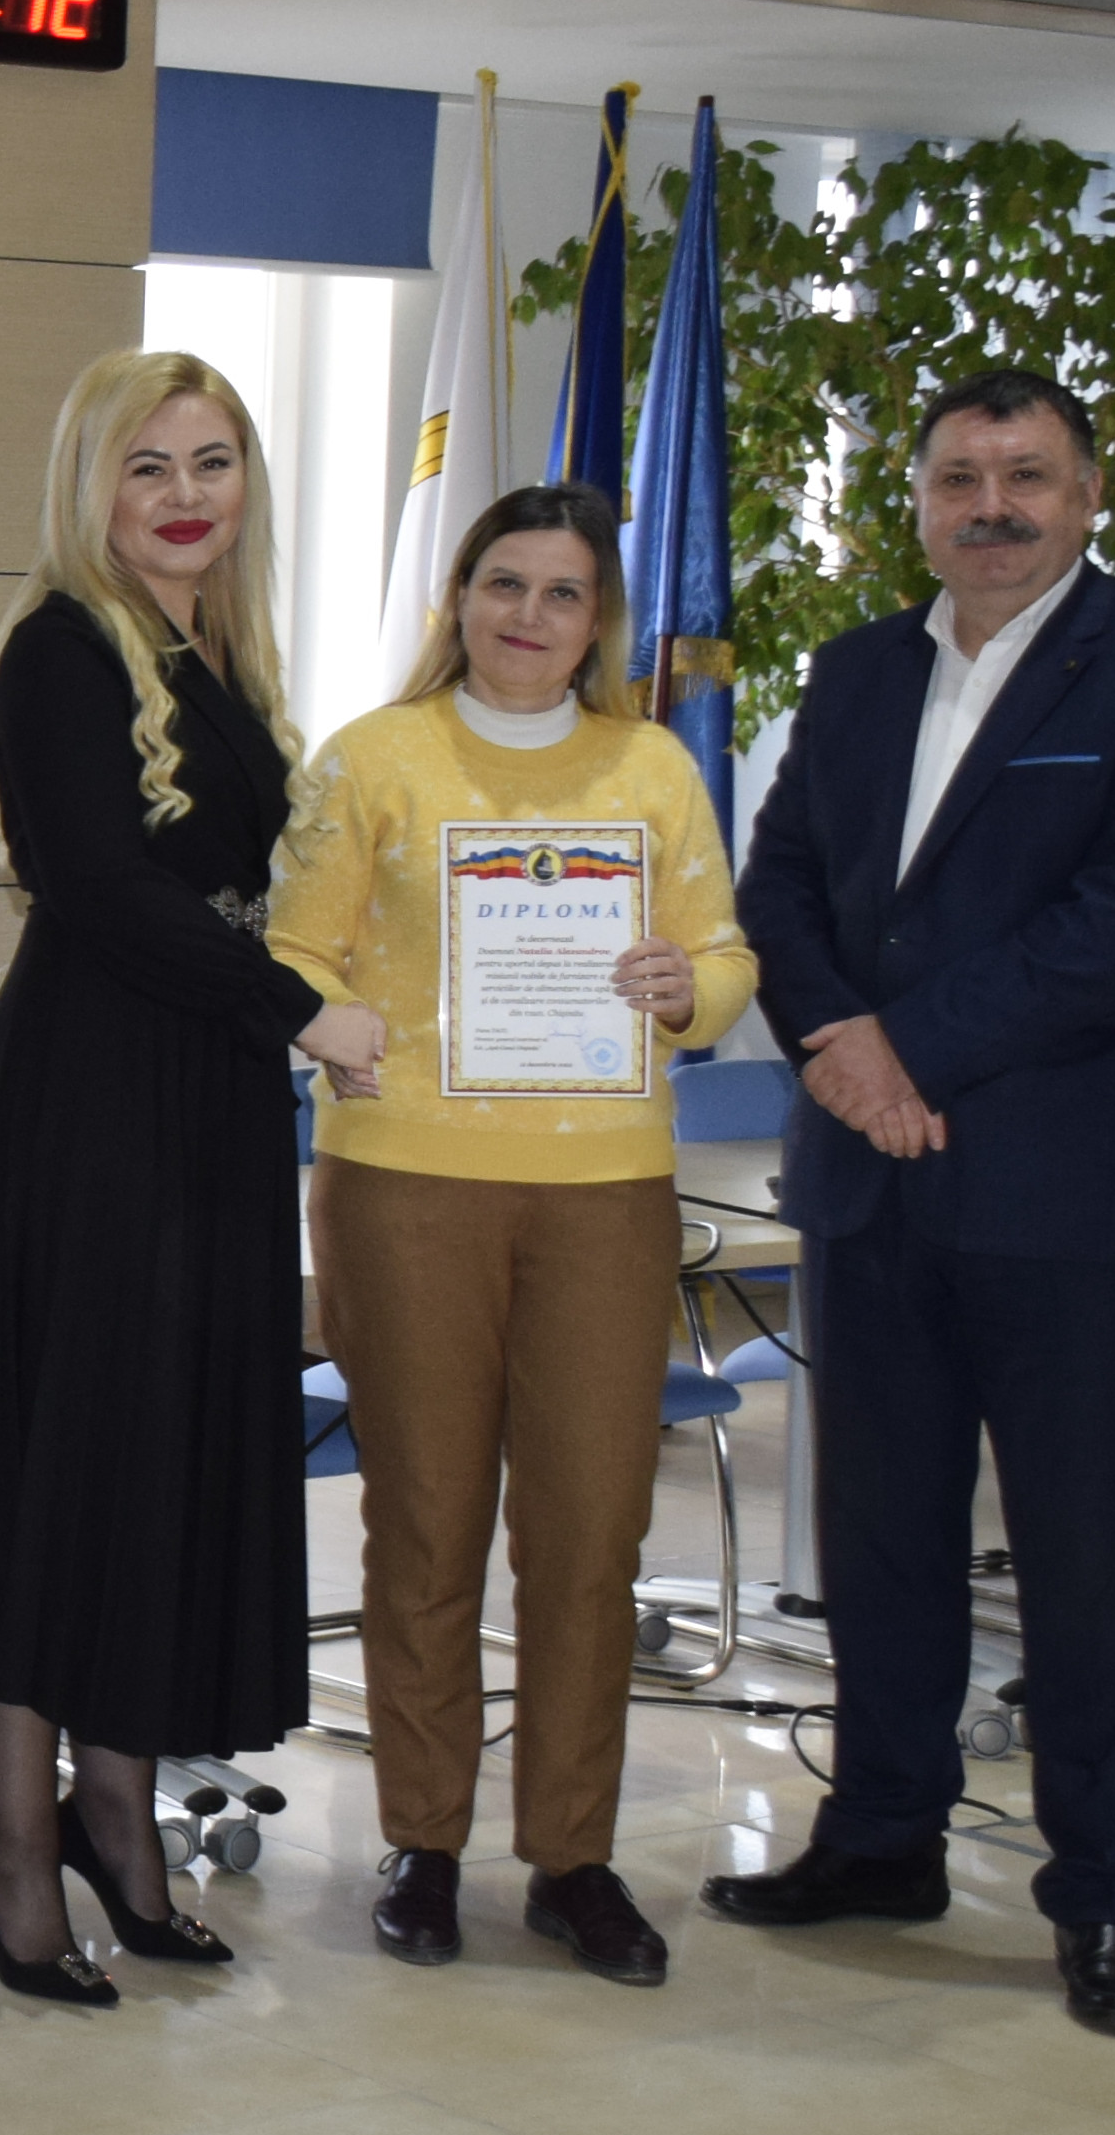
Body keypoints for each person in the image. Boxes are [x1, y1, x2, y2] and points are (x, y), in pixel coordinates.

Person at [710, 369, 1115, 2038]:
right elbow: (778, 884)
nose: (993, 507)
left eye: (1027, 475)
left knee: (1083, 1565)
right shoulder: (858, 670)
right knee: (880, 1548)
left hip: (1067, 1197)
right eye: (960, 477)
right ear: (919, 503)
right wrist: (836, 1045)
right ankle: (883, 1841)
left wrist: (901, 1049)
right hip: (869, 1186)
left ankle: (1104, 1901)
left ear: (1089, 496)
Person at [0, 350, 377, 2010]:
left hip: (208, 1106)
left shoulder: (216, 653)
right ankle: (11, 1845)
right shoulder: (60, 645)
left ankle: (118, 1815)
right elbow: (104, 890)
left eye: (213, 462)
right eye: (148, 468)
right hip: (92, 1114)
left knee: (152, 1473)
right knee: (58, 1478)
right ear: (89, 489)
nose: (186, 498)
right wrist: (302, 1011)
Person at [267, 479, 755, 1985]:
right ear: (460, 598)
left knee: (592, 1529)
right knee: (424, 1521)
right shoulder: (373, 759)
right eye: (504, 585)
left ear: (597, 620)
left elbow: (725, 955)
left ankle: (573, 1856)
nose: (529, 617)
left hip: (606, 1190)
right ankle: (423, 1841)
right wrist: (326, 1023)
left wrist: (691, 992)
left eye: (562, 594)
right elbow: (291, 949)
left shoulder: (653, 765)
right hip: (407, 1180)